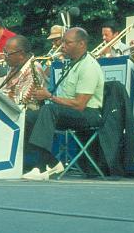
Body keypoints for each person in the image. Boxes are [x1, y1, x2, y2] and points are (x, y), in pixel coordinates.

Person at [25, 27, 104, 176]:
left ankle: (43, 166)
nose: (62, 46)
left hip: (89, 113)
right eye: (63, 42)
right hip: (68, 111)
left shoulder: (89, 66)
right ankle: (48, 163)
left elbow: (80, 104)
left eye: (67, 43)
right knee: (28, 117)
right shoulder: (71, 63)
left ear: (81, 44)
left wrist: (49, 97)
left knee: (49, 110)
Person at [0, 35, 45, 109]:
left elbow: (23, 102)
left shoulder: (34, 69)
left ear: (21, 54)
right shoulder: (15, 65)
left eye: (8, 54)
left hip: (26, 112)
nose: (5, 57)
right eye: (4, 52)